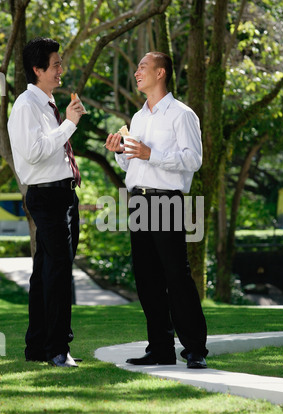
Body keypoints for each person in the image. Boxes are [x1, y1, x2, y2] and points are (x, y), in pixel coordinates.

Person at [105, 51, 208, 368]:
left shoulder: (182, 114)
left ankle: (194, 350)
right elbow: (133, 164)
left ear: (161, 73)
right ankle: (160, 348)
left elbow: (194, 160)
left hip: (167, 200)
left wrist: (152, 153)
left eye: (142, 67)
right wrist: (121, 152)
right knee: (147, 279)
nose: (137, 72)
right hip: (138, 200)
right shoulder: (138, 118)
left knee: (176, 276)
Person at [7, 37, 84, 367]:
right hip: (46, 195)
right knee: (59, 271)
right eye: (55, 65)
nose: (60, 70)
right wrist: (69, 123)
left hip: (64, 194)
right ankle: (57, 349)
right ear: (37, 69)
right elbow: (35, 152)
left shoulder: (48, 104)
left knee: (45, 272)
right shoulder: (26, 105)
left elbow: (52, 150)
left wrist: (65, 121)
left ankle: (37, 347)